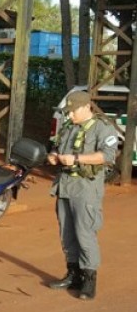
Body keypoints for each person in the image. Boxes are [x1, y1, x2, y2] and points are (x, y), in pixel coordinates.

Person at [46, 90, 119, 300]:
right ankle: (73, 274)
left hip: (86, 188)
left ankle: (89, 278)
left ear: (87, 106)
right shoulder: (68, 127)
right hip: (65, 185)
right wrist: (54, 156)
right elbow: (56, 147)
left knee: (85, 233)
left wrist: (77, 159)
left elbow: (107, 156)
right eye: (68, 111)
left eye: (73, 111)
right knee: (66, 233)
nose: (70, 115)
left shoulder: (102, 128)